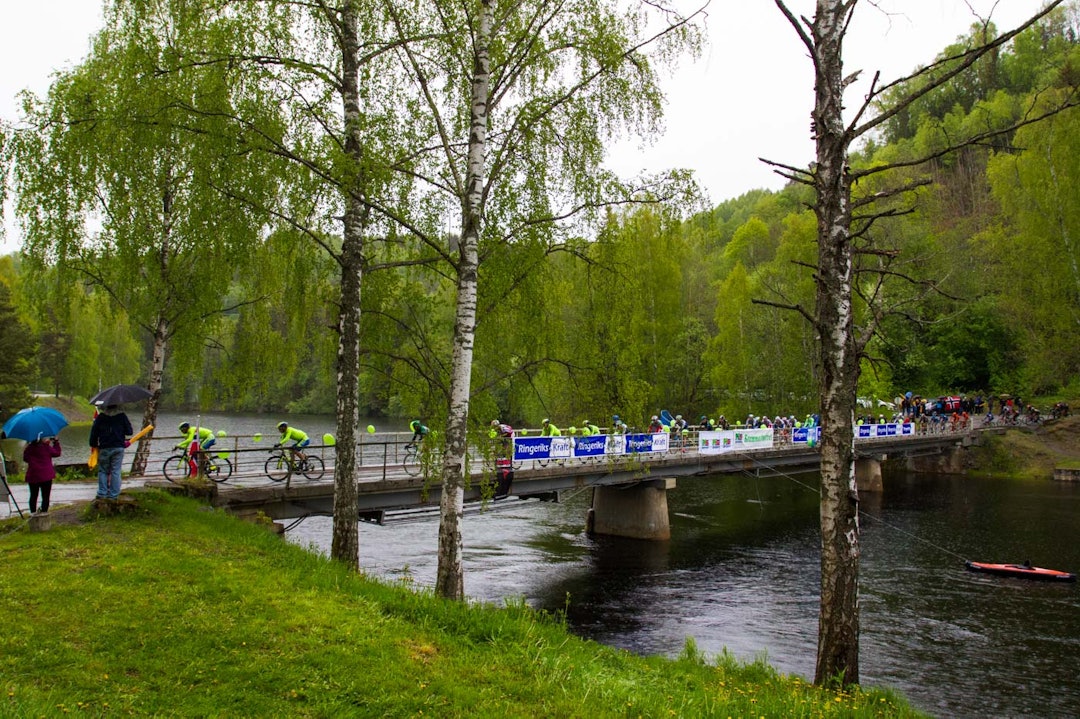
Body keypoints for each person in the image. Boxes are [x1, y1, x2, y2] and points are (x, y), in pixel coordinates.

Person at [89, 404, 133, 500]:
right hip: (118, 447)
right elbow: (129, 431)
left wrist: (93, 444)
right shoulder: (122, 416)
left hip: (104, 447)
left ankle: (102, 493)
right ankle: (114, 495)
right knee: (116, 471)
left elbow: (94, 433)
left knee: (103, 470)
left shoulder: (101, 417)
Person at [23, 436, 61, 514]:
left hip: (33, 475)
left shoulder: (29, 448)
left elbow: (25, 459)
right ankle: (44, 512)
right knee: (46, 496)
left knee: (33, 496)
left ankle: (33, 513)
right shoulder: (46, 447)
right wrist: (56, 442)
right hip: (46, 476)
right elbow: (57, 453)